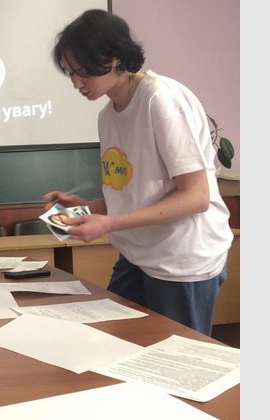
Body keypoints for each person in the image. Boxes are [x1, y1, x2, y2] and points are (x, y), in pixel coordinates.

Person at [44, 9, 233, 335]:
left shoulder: (160, 99)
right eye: (70, 73)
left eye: (82, 71)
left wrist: (109, 223)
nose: (76, 83)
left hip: (182, 261)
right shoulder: (107, 116)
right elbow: (133, 195)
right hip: (138, 255)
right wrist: (85, 207)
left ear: (114, 57)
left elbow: (197, 197)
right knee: (117, 341)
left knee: (175, 359)